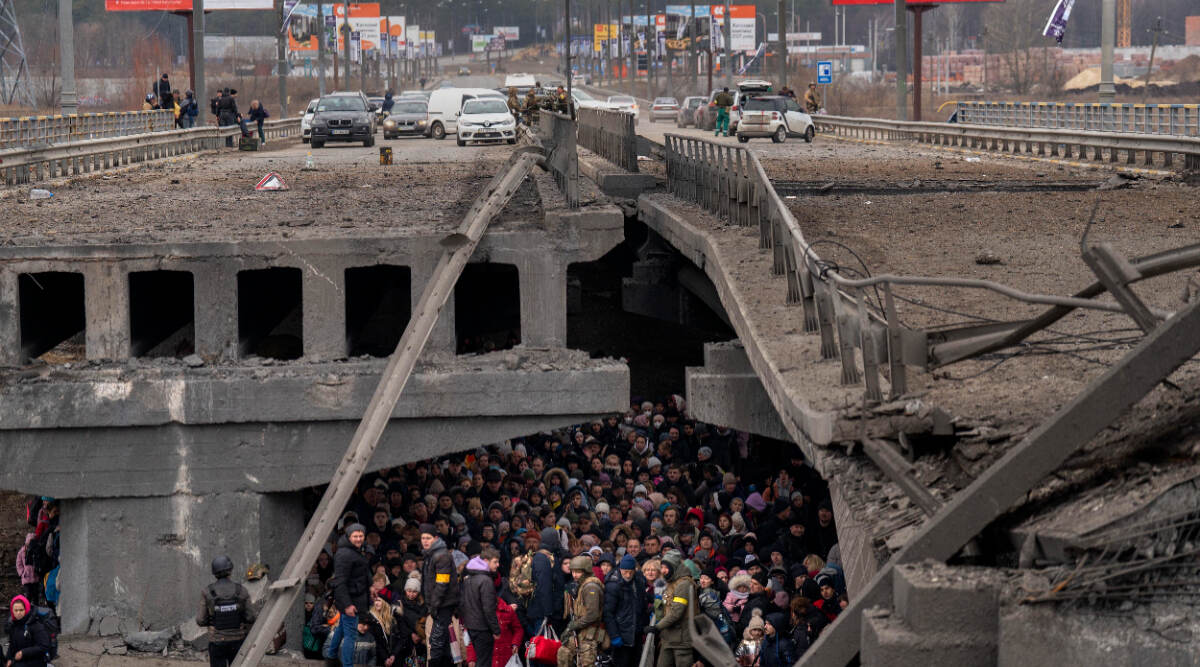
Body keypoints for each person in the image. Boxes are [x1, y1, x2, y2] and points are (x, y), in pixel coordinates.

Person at [197, 555, 256, 667]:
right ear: (230, 571)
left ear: (214, 573)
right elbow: (251, 617)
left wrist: (213, 621)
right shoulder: (241, 590)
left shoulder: (207, 592)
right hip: (238, 640)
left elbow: (200, 620)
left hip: (217, 641)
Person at [328, 524, 372, 667]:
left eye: (361, 536)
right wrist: (347, 605)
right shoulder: (345, 554)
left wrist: (370, 586)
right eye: (355, 536)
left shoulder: (357, 550)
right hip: (350, 599)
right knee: (350, 635)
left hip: (356, 597)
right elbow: (340, 582)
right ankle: (347, 665)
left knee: (342, 628)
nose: (358, 539)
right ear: (349, 537)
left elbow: (363, 572)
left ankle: (331, 656)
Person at [420, 523, 460, 667]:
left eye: (428, 538)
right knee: (442, 641)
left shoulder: (441, 555)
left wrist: (434, 605)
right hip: (438, 604)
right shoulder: (431, 555)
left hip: (443, 604)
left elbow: (442, 583)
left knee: (437, 641)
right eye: (423, 538)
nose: (425, 541)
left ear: (435, 538)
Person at [645, 551, 693, 667]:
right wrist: (657, 607)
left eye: (666, 567)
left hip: (681, 640)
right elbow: (667, 603)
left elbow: (676, 612)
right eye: (662, 567)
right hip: (668, 638)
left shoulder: (684, 584)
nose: (663, 570)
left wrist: (656, 627)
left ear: (675, 567)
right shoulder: (671, 582)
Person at [557, 555, 604, 667]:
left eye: (578, 572)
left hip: (590, 634)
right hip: (581, 632)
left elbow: (592, 615)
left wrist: (573, 625)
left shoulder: (590, 586)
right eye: (573, 572)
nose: (574, 575)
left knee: (586, 663)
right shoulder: (582, 585)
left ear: (586, 571)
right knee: (563, 653)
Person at [460, 547, 502, 667]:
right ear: (485, 561)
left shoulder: (468, 578)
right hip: (483, 627)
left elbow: (463, 603)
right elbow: (488, 608)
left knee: (480, 660)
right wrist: (496, 629)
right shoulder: (486, 581)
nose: (498, 565)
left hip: (471, 626)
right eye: (495, 562)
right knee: (484, 662)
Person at [603, 554, 642, 667]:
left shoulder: (638, 581)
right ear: (620, 569)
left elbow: (640, 603)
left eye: (631, 571)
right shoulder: (613, 585)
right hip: (621, 632)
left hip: (635, 632)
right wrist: (614, 635)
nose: (628, 575)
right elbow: (608, 613)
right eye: (625, 571)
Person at [525, 526, 562, 637]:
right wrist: (548, 612)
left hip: (540, 609)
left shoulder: (544, 556)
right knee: (540, 646)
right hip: (541, 611)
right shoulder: (543, 557)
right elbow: (543, 585)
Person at [5, 595, 50, 667]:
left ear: (26, 609)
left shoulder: (35, 625)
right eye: (16, 610)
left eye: (21, 610)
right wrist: (9, 658)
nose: (18, 613)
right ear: (12, 611)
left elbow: (44, 646)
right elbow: (12, 645)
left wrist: (23, 653)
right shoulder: (13, 625)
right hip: (20, 660)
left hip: (36, 661)